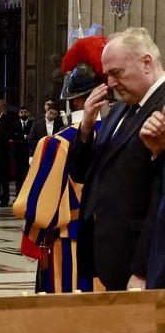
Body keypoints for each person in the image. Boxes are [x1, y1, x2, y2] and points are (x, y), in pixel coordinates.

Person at [70, 27, 165, 291]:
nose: (110, 83)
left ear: (146, 63)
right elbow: (82, 174)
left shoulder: (162, 106)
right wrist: (86, 128)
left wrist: (143, 269)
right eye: (107, 74)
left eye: (116, 73)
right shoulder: (122, 106)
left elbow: (159, 199)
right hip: (109, 254)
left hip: (141, 259)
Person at [14, 35, 106, 293]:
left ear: (74, 100)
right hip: (111, 238)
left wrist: (33, 240)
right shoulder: (119, 134)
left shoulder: (57, 142)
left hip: (69, 237)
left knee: (68, 304)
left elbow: (41, 204)